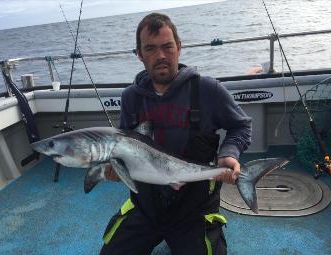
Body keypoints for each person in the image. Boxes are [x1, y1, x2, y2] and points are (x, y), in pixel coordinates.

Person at [100, 13, 252, 255]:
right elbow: (125, 146)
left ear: (179, 48)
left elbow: (241, 126)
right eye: (150, 49)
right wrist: (117, 169)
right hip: (146, 206)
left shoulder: (208, 90)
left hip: (194, 208)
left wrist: (229, 153)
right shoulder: (131, 98)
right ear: (139, 54)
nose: (160, 56)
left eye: (167, 47)